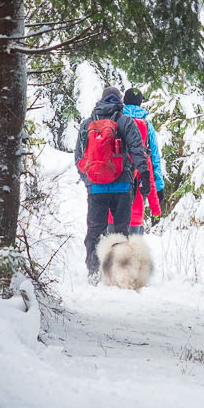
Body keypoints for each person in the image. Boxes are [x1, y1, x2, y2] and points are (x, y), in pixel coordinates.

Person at [75, 85, 151, 281]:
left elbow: (78, 157)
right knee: (120, 232)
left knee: (94, 231)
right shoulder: (125, 121)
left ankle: (93, 272)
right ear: (119, 102)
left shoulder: (87, 124)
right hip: (123, 186)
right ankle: (119, 274)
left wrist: (88, 180)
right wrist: (143, 176)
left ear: (101, 100)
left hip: (96, 188)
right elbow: (137, 150)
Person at [122, 87, 165, 228]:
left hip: (117, 179)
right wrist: (158, 187)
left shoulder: (117, 121)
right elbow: (155, 159)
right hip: (141, 179)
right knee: (135, 226)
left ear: (124, 101)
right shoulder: (147, 125)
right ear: (141, 103)